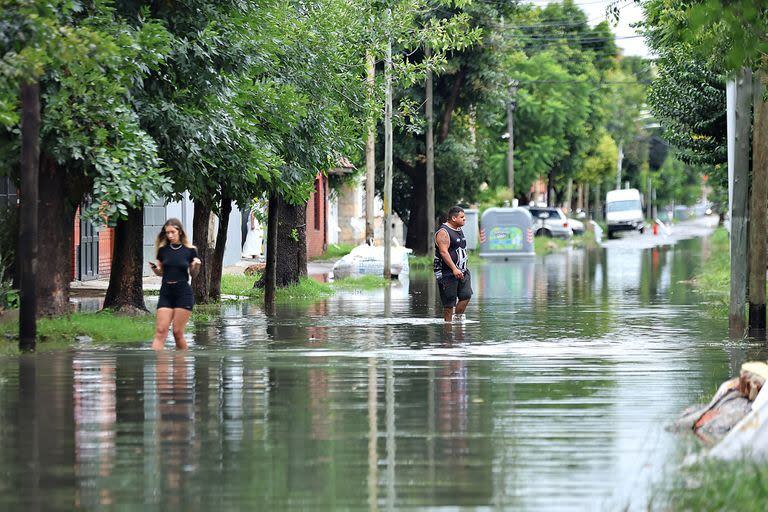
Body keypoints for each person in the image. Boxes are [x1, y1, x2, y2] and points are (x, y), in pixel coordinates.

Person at [149, 219, 201, 350]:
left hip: (183, 292)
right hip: (166, 292)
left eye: (172, 232)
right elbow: (161, 273)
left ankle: (181, 365)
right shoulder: (163, 250)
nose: (170, 235)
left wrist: (196, 265)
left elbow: (194, 274)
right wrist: (155, 269)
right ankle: (160, 368)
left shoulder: (190, 251)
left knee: (177, 333)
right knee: (161, 331)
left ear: (180, 231)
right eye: (167, 233)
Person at [434, 206, 472, 323]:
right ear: (454, 218)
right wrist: (454, 269)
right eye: (462, 217)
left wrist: (460, 268)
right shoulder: (443, 232)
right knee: (449, 303)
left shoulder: (459, 229)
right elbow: (444, 252)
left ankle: (457, 320)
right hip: (447, 272)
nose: (464, 219)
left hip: (462, 270)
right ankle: (448, 328)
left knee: (466, 295)